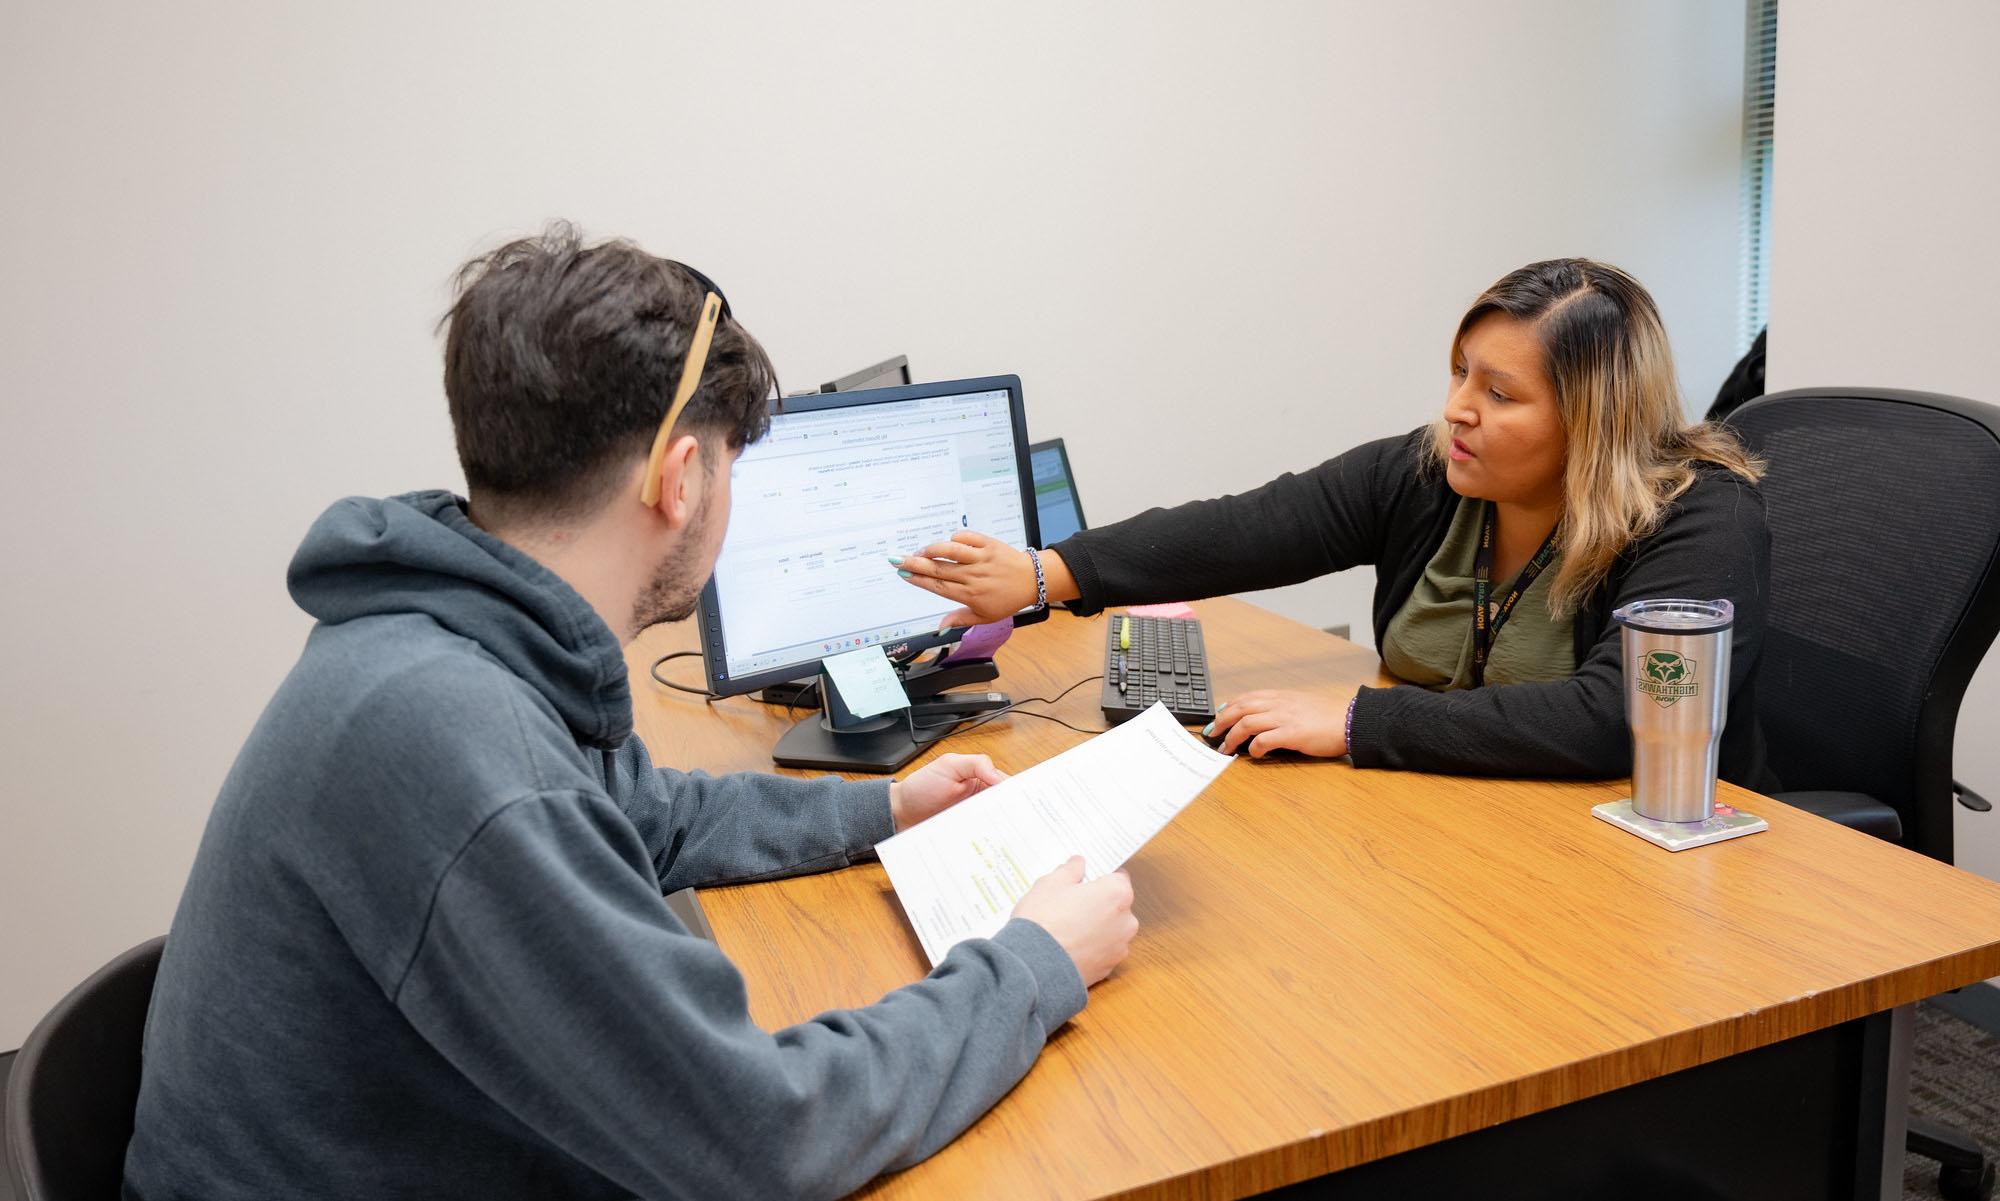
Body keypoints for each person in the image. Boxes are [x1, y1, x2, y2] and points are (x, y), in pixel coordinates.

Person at [123, 225, 1138, 1201]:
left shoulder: (452, 637)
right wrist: (1030, 962)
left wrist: (887, 812)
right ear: (682, 478)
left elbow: (642, 814)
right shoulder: (458, 744)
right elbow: (767, 1137)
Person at [894, 259, 1777, 788]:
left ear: (1595, 418)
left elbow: (1611, 720)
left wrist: (1358, 721)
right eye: (1461, 371)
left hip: (1635, 856)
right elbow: (1252, 526)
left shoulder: (1698, 518)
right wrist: (1048, 573)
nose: (1456, 409)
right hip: (1462, 819)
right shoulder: (1434, 472)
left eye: (1499, 393)